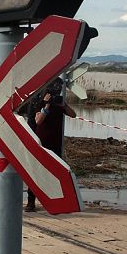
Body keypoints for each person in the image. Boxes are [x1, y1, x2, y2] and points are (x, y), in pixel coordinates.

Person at [24, 78, 76, 212]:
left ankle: (57, 200)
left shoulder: (59, 104)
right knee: (36, 171)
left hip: (55, 141)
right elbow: (38, 121)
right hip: (42, 140)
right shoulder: (38, 101)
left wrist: (63, 105)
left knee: (56, 170)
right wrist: (46, 105)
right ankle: (31, 202)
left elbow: (73, 115)